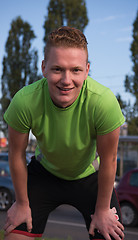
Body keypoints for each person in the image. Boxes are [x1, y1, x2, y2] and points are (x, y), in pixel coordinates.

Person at [3, 26, 125, 240]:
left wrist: (103, 210)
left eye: (76, 70)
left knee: (110, 236)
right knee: (15, 235)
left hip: (90, 176)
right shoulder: (24, 101)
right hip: (44, 175)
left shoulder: (103, 102)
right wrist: (22, 203)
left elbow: (109, 160)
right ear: (43, 67)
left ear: (87, 70)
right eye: (58, 69)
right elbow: (16, 155)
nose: (66, 80)